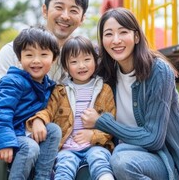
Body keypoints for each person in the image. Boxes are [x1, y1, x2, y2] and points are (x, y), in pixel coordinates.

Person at [81, 8, 179, 180]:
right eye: (109, 34)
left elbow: (153, 138)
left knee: (122, 161)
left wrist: (101, 122)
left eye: (123, 32)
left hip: (164, 159)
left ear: (136, 37)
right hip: (123, 151)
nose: (116, 40)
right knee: (98, 162)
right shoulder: (105, 73)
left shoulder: (158, 71)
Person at [0, 26, 62, 180]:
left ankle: (42, 177)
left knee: (53, 130)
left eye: (43, 54)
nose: (36, 60)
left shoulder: (48, 85)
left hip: (21, 130)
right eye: (29, 55)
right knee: (30, 147)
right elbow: (0, 113)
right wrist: (5, 143)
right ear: (19, 58)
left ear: (53, 59)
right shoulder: (13, 82)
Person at [0, 0, 89, 114]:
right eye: (59, 7)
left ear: (82, 18)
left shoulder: (84, 59)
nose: (65, 16)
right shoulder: (13, 51)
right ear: (45, 10)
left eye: (73, 10)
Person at [26, 36, 115, 180]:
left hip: (96, 145)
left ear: (95, 61)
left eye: (87, 59)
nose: (81, 66)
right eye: (74, 62)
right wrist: (38, 120)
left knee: (99, 159)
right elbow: (48, 111)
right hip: (67, 146)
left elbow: (111, 122)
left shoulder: (104, 90)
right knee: (64, 166)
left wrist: (93, 136)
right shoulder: (61, 90)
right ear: (66, 67)